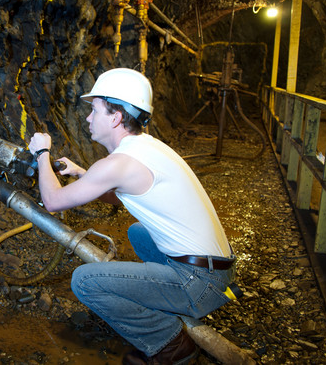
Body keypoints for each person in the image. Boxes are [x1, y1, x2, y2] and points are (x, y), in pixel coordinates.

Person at [28, 68, 235, 365]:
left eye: (94, 110)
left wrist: (42, 154)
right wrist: (82, 174)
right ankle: (165, 298)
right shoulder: (146, 147)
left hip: (201, 282)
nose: (88, 118)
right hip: (219, 272)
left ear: (115, 117)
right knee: (138, 231)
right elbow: (119, 193)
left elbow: (52, 201)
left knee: (85, 282)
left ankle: (170, 345)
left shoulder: (118, 163)